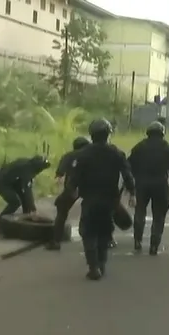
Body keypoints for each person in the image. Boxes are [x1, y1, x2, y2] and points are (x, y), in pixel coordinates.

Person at [65, 118, 135, 281]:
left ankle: (93, 266)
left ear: (91, 135)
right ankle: (101, 264)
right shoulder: (116, 153)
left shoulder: (83, 154)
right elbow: (127, 174)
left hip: (90, 199)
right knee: (104, 232)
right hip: (110, 200)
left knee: (88, 232)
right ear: (108, 134)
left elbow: (73, 178)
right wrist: (132, 193)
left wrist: (71, 191)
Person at [130, 121, 169, 255]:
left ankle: (137, 240)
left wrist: (133, 183)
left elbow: (130, 164)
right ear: (162, 133)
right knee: (159, 215)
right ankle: (154, 245)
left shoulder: (139, 147)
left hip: (142, 183)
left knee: (140, 211)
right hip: (160, 184)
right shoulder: (167, 148)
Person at [46, 136, 90, 250]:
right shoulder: (92, 154)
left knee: (61, 212)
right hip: (90, 188)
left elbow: (60, 174)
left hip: (72, 188)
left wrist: (59, 180)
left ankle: (56, 241)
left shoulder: (69, 155)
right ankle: (106, 239)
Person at [0, 155, 51, 230]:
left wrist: (30, 208)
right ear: (38, 167)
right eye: (42, 168)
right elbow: (27, 190)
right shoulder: (28, 171)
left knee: (25, 199)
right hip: (1, 183)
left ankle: (27, 221)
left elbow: (25, 190)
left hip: (11, 181)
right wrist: (33, 209)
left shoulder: (27, 163)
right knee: (15, 202)